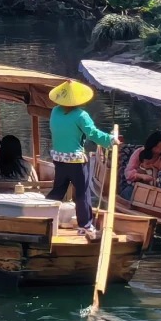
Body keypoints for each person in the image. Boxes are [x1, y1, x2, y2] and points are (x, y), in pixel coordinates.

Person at [45, 80, 119, 239]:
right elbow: (92, 133)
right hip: (76, 161)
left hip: (59, 159)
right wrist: (111, 140)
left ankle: (44, 217)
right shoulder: (81, 115)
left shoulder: (55, 112)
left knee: (58, 189)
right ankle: (85, 226)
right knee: (82, 193)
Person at [123, 131, 161, 198]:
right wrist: (141, 176)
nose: (158, 150)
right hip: (135, 186)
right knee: (128, 192)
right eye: (156, 147)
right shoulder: (139, 153)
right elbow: (128, 173)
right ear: (151, 144)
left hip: (155, 189)